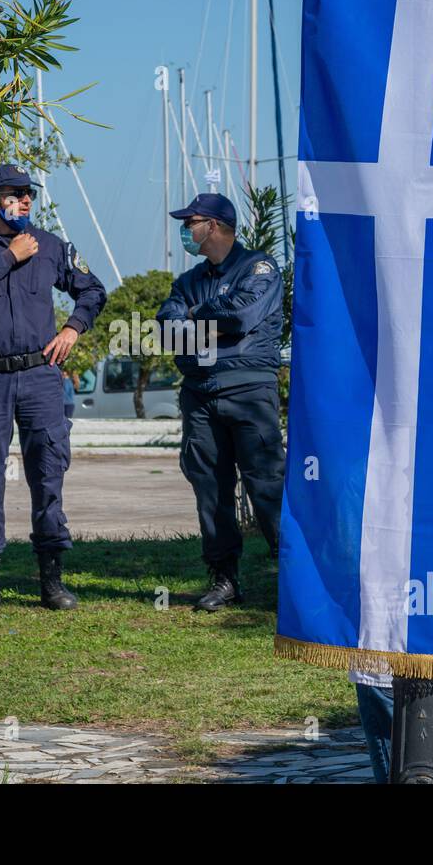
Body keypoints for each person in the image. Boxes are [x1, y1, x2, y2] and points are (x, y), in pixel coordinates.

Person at [0, 164, 106, 616]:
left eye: (29, 193)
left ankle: (51, 580)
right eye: (16, 193)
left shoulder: (51, 246)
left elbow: (92, 290)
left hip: (40, 377)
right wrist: (9, 256)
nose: (26, 200)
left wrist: (73, 328)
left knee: (48, 474)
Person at [156, 193, 285, 611]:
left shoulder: (259, 268)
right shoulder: (188, 281)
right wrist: (205, 318)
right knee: (209, 488)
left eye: (189, 222)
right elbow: (166, 326)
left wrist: (196, 316)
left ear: (212, 226)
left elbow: (242, 316)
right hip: (200, 395)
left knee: (267, 486)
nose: (184, 231)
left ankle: (294, 575)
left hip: (249, 392)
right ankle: (224, 579)